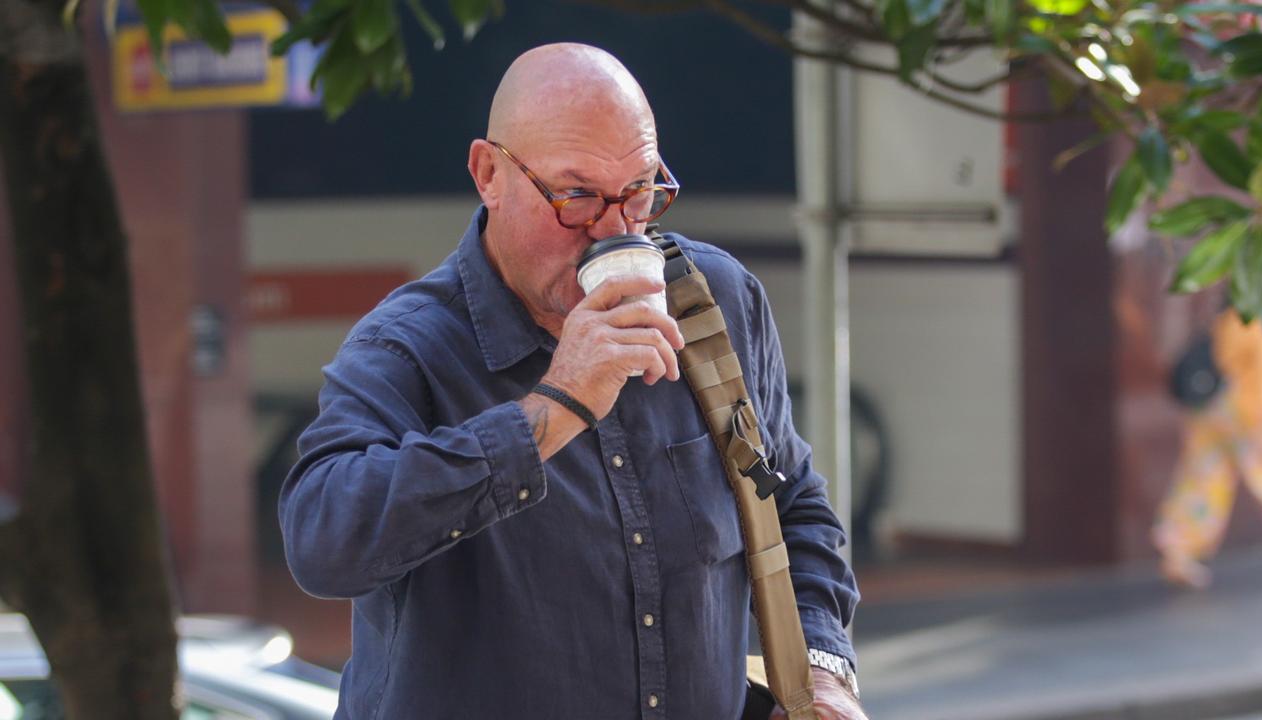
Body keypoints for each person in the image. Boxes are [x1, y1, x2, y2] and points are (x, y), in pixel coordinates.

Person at [280, 43, 864, 719]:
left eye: (641, 192)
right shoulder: (408, 346)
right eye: (577, 195)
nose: (615, 233)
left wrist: (820, 670)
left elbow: (791, 506)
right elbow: (322, 544)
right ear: (488, 173)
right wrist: (555, 407)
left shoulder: (714, 302)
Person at [1153, 299, 1262, 589]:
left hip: (1211, 409)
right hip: (1249, 410)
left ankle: (1178, 551)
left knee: (1202, 478)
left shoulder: (1227, 317)